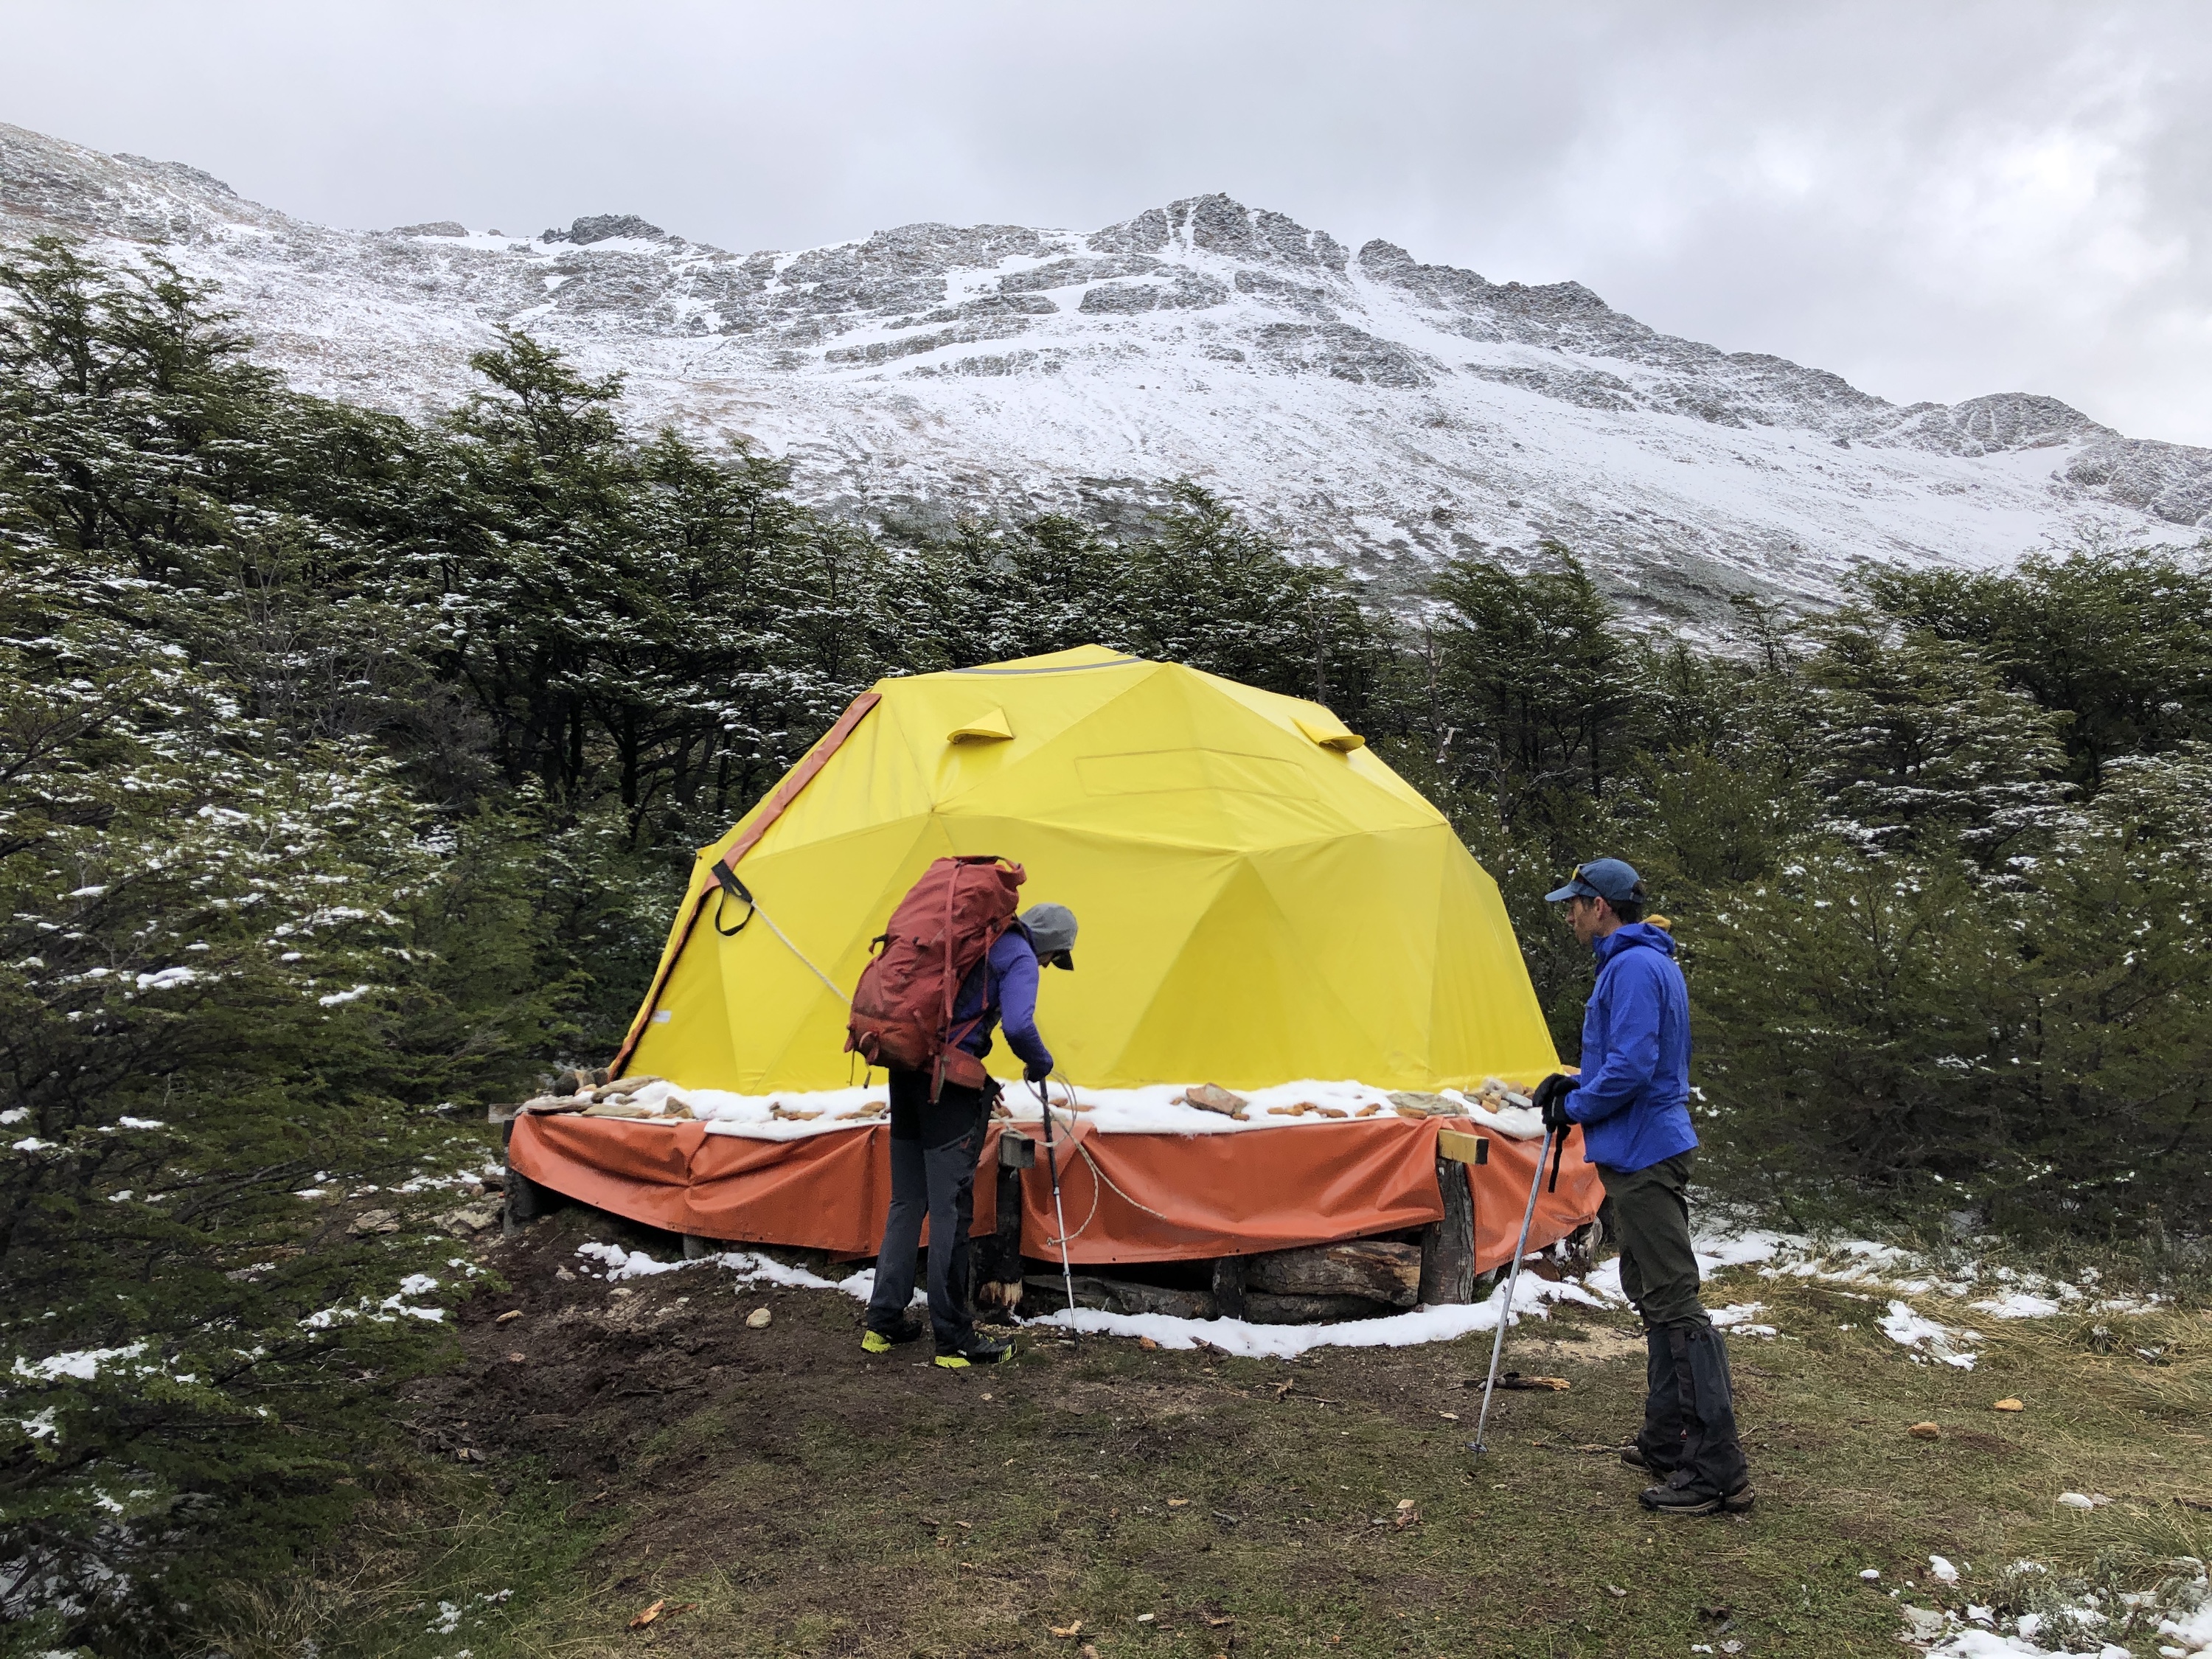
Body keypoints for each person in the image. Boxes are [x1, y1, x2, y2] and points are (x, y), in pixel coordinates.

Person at [1534, 859, 1753, 1516]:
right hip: (1641, 1146)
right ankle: (1668, 1438)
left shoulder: (1631, 967)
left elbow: (1632, 1069)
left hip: (1644, 1150)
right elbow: (1628, 1062)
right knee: (1652, 1291)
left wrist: (1574, 1108)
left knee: (1674, 1300)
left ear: (1602, 906)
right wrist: (1576, 1085)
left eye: (1575, 903)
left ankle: (1716, 1470)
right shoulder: (1639, 961)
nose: (1568, 914)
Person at [862, 901, 1078, 1368]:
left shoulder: (977, 941)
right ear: (1045, 941)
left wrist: (983, 1086)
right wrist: (1039, 1062)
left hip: (909, 1069)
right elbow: (1019, 1025)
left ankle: (882, 1324)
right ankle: (953, 1338)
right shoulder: (1018, 953)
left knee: (906, 1201)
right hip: (947, 1090)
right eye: (1053, 956)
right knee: (950, 1212)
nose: (1045, 965)